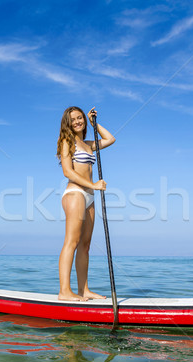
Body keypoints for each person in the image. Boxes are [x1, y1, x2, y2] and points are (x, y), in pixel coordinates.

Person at [56, 106, 116, 301]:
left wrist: (94, 123)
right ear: (68, 123)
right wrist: (93, 184)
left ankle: (83, 290)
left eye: (80, 118)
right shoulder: (67, 141)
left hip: (90, 196)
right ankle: (64, 291)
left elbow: (110, 139)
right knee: (71, 242)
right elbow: (67, 171)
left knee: (85, 245)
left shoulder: (88, 144)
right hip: (75, 193)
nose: (77, 121)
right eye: (73, 119)